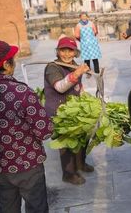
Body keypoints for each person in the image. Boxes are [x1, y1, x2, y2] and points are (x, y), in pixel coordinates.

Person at [0, 39, 53, 213]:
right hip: (28, 166)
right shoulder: (21, 92)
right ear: (6, 64)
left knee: (7, 208)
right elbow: (44, 131)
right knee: (37, 207)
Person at [44, 36, 93, 185]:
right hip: (59, 111)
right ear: (58, 52)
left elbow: (78, 87)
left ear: (75, 53)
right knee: (66, 142)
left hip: (74, 109)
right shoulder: (52, 67)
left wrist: (86, 101)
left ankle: (81, 164)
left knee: (83, 136)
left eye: (70, 51)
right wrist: (77, 73)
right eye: (63, 50)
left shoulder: (74, 65)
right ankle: (69, 173)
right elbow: (60, 86)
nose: (66, 54)